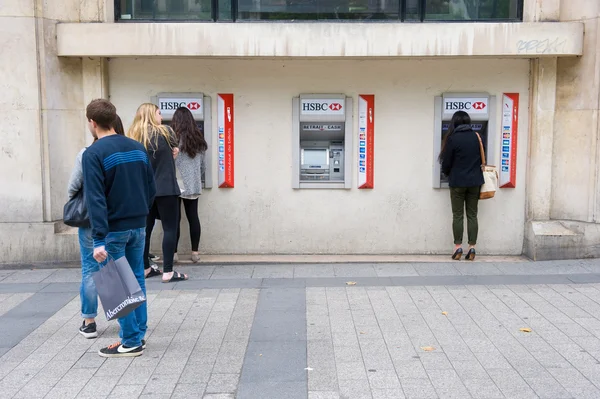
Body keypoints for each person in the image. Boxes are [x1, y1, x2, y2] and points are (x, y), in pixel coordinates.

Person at [82, 100, 155, 357]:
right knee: (136, 279)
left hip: (113, 230)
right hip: (139, 225)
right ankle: (138, 333)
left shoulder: (93, 154)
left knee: (116, 285)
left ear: (92, 122)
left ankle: (131, 340)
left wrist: (98, 239)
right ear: (114, 118)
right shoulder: (137, 147)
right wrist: (141, 212)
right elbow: (150, 188)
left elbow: (96, 199)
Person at [68, 114, 125, 339]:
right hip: (117, 218)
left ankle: (89, 321)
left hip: (92, 219)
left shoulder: (86, 154)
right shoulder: (123, 152)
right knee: (114, 268)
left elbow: (73, 186)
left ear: (94, 125)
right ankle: (123, 320)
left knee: (90, 269)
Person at [127, 103, 189, 283]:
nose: (161, 116)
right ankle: (168, 271)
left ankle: (145, 268)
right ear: (151, 115)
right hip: (166, 188)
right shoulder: (165, 132)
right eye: (159, 113)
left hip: (144, 191)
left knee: (145, 229)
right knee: (170, 228)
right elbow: (174, 151)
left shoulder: (133, 136)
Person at [439, 111, 484, 261]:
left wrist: (446, 173)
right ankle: (472, 248)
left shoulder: (452, 139)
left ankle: (458, 246)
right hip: (474, 183)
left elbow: (446, 162)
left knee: (457, 215)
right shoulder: (476, 137)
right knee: (472, 215)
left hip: (458, 182)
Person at [171, 107, 208, 263]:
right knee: (193, 218)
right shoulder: (198, 140)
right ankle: (195, 252)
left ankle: (174, 253)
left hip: (175, 184)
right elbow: (203, 167)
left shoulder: (172, 139)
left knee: (175, 219)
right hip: (192, 184)